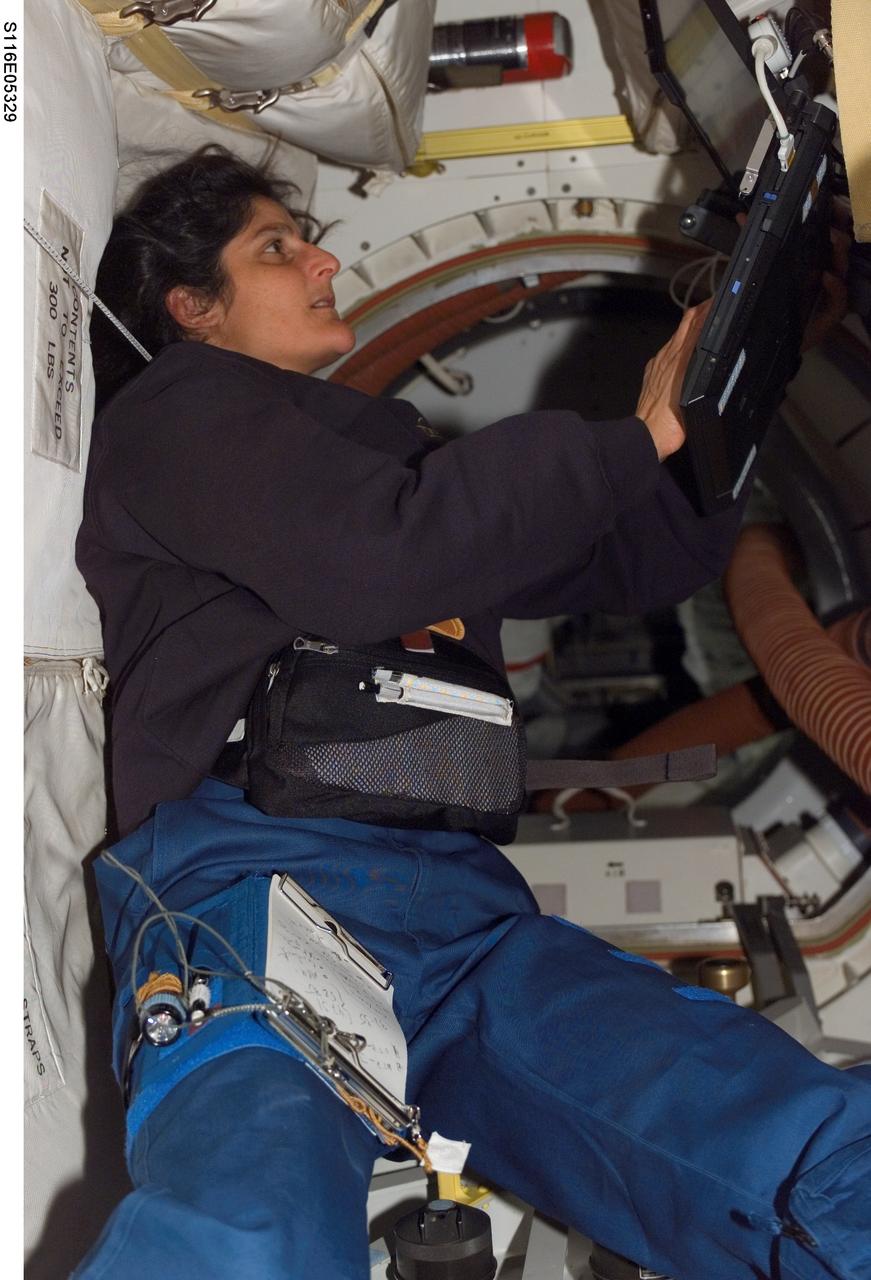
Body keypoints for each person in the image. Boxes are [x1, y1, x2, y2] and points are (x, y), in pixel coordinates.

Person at [72, 146, 870, 1280]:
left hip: (463, 922)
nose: (322, 258)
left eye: (306, 236)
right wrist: (634, 432)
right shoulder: (177, 413)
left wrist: (738, 377)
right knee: (251, 1217)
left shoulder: (374, 458)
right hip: (260, 881)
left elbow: (629, 550)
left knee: (776, 1130)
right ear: (190, 307)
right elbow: (377, 560)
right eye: (275, 249)